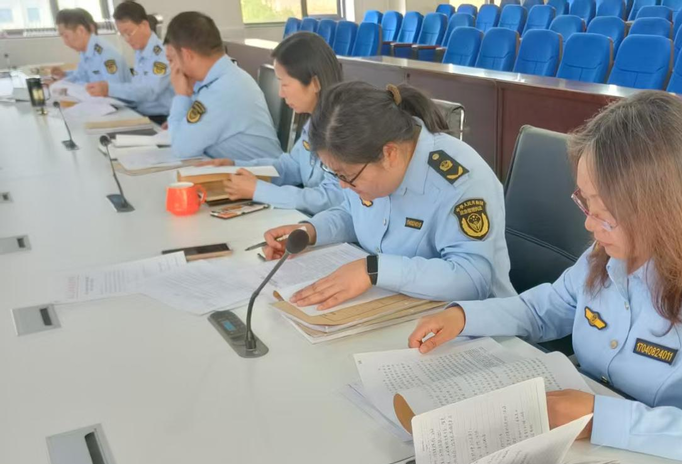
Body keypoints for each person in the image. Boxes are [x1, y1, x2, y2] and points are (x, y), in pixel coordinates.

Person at [408, 91, 682, 464]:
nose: (590, 225)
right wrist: (464, 317)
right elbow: (544, 311)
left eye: (606, 210)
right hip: (589, 453)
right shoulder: (611, 253)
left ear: (667, 206)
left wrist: (602, 419)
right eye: (586, 203)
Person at [260, 81, 514, 311]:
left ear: (389, 154)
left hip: (474, 325)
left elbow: (472, 279)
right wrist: (311, 231)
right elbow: (352, 213)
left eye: (347, 176)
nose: (343, 186)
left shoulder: (460, 181)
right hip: (398, 311)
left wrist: (373, 270)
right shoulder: (371, 163)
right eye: (336, 174)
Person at [201, 32, 344, 215]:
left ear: (314, 83)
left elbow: (330, 198)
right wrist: (236, 166)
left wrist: (259, 190)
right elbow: (290, 166)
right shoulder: (313, 121)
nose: (280, 94)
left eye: (285, 84)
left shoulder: (341, 128)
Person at [163, 11, 282, 160]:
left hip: (260, 173)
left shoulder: (222, 90)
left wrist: (181, 96)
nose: (171, 68)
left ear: (187, 55)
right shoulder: (220, 78)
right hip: (240, 170)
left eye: (172, 60)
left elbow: (181, 148)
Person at [85, 1, 174, 123]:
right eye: (122, 35)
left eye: (129, 33)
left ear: (144, 25)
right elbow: (137, 88)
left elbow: (150, 91)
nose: (127, 39)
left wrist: (110, 89)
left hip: (160, 119)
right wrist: (110, 94)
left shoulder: (162, 54)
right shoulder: (140, 51)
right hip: (141, 112)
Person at [50, 9, 131, 85]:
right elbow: (81, 75)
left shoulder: (106, 55)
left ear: (80, 31)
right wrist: (64, 75)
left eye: (66, 36)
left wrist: (61, 84)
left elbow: (111, 91)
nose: (65, 43)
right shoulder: (85, 51)